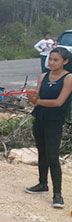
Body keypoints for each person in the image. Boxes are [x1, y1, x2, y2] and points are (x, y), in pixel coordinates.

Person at [25, 48, 72, 208]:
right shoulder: (43, 76)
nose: (51, 62)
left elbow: (59, 102)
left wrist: (37, 101)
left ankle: (57, 194)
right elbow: (36, 96)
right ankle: (42, 183)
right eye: (50, 59)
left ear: (65, 61)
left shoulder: (68, 78)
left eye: (56, 60)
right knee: (42, 152)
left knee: (52, 156)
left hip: (54, 121)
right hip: (40, 118)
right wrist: (31, 97)